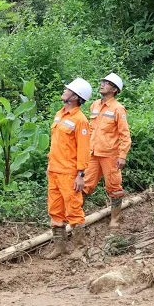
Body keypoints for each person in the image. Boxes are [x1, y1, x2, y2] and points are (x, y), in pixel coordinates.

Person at [42, 78, 92, 259]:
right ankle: (59, 247)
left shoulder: (81, 120)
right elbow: (55, 144)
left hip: (69, 173)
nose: (64, 90)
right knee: (55, 209)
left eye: (68, 89)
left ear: (75, 97)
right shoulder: (60, 114)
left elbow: (84, 150)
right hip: (55, 171)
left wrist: (81, 174)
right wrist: (50, 165)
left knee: (73, 210)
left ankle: (80, 248)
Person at [83, 73, 131, 229]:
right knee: (85, 185)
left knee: (114, 187)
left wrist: (122, 156)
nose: (102, 84)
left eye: (107, 83)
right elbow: (90, 130)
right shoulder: (94, 105)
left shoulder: (118, 109)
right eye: (103, 81)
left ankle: (115, 220)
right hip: (92, 154)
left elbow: (125, 135)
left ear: (115, 89)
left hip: (110, 155)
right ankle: (76, 216)